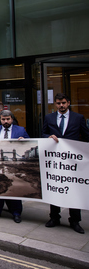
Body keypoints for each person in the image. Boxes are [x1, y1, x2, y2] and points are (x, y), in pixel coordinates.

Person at [42, 93, 89, 234]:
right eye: (58, 103)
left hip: (72, 160)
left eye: (63, 103)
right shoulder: (49, 117)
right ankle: (54, 217)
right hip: (55, 161)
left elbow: (86, 136)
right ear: (55, 104)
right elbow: (43, 133)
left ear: (68, 103)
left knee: (73, 189)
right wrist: (48, 136)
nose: (61, 105)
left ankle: (75, 220)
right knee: (55, 186)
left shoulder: (78, 118)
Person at [0, 110, 29, 224]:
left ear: (12, 119)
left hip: (13, 164)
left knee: (14, 188)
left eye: (8, 119)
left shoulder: (20, 130)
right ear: (0, 119)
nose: (5, 121)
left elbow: (29, 142)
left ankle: (16, 213)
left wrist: (24, 141)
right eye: (3, 119)